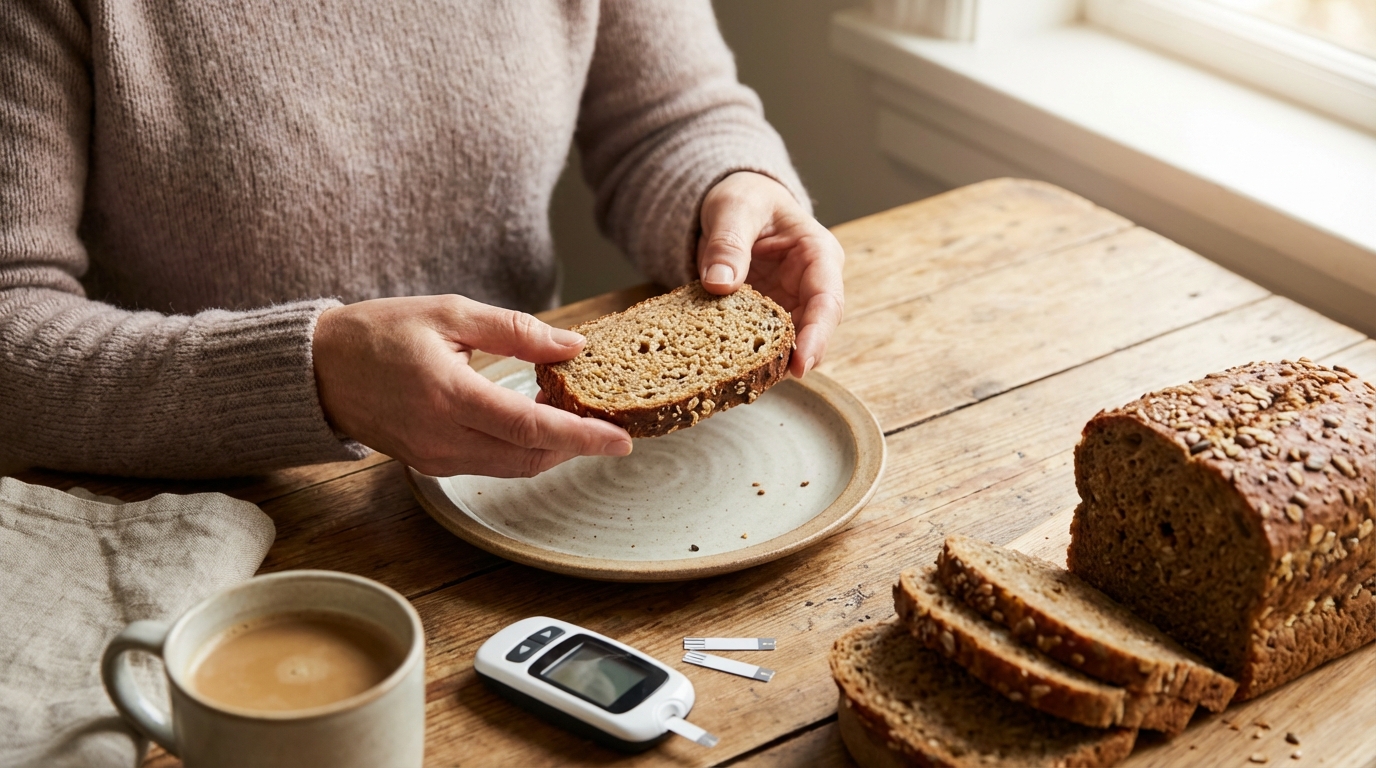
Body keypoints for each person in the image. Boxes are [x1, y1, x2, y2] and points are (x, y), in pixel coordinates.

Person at [0, 0, 844, 479]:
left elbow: (671, 117)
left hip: (533, 490)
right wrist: (311, 377)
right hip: (205, 527)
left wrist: (731, 191)